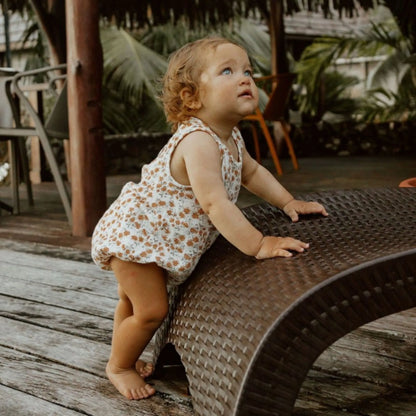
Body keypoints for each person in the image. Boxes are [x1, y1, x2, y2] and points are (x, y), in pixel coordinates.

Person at [91, 36, 328, 401]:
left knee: (132, 303)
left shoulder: (230, 136)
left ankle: (126, 354)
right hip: (138, 236)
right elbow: (215, 204)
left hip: (156, 238)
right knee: (151, 310)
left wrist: (288, 201)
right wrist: (259, 244)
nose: (246, 78)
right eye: (228, 71)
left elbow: (251, 174)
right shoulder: (198, 142)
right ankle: (118, 366)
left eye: (247, 70)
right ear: (191, 97)